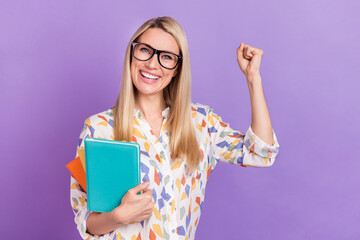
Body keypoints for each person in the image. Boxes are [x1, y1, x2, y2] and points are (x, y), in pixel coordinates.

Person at [70, 16, 280, 240]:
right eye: (145, 50)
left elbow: (261, 153)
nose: (152, 64)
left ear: (177, 68)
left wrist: (253, 78)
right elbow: (86, 220)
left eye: (166, 57)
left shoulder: (201, 123)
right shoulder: (98, 128)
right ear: (132, 54)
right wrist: (118, 217)